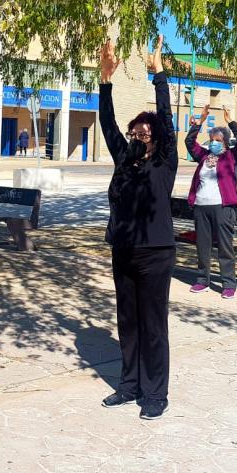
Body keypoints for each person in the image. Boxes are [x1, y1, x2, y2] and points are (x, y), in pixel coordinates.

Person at [98, 35, 178, 420]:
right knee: (127, 321)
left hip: (156, 254)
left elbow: (165, 118)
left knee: (153, 324)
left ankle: (155, 393)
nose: (142, 131)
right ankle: (129, 386)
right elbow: (106, 122)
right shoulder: (123, 160)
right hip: (124, 251)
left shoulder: (165, 162)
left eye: (148, 128)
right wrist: (105, 79)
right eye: (137, 128)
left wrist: (158, 72)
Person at [185, 104, 237, 299]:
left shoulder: (232, 156)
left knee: (224, 247)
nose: (214, 143)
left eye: (218, 140)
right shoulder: (204, 156)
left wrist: (230, 121)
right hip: (201, 208)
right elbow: (189, 142)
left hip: (223, 208)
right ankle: (202, 280)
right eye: (212, 140)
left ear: (226, 143)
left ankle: (229, 283)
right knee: (202, 246)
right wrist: (199, 122)